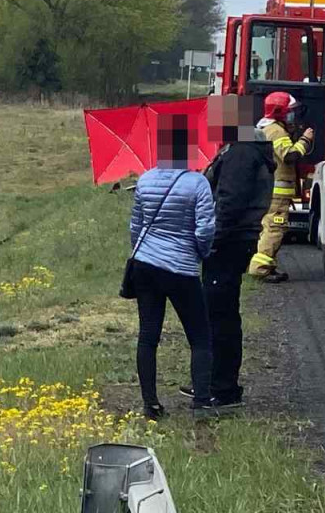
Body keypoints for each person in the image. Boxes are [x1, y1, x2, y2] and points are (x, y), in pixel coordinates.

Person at [183, 95, 275, 409]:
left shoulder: (242, 152)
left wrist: (208, 239)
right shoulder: (239, 148)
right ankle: (213, 382)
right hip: (234, 240)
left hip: (228, 242)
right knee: (220, 312)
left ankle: (221, 388)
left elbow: (229, 203)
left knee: (219, 314)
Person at [129, 113, 215, 420]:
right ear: (189, 149)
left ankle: (150, 403)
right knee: (200, 336)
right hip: (181, 268)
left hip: (145, 266)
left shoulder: (145, 179)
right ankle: (202, 402)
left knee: (148, 335)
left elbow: (135, 226)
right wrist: (200, 254)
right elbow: (204, 230)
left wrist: (144, 253)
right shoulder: (198, 184)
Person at [249, 92, 314, 282]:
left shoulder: (266, 128)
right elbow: (289, 155)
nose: (292, 118)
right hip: (276, 194)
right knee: (274, 229)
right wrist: (305, 139)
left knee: (270, 228)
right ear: (280, 112)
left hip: (271, 192)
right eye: (290, 113)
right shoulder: (276, 131)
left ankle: (268, 265)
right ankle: (261, 268)